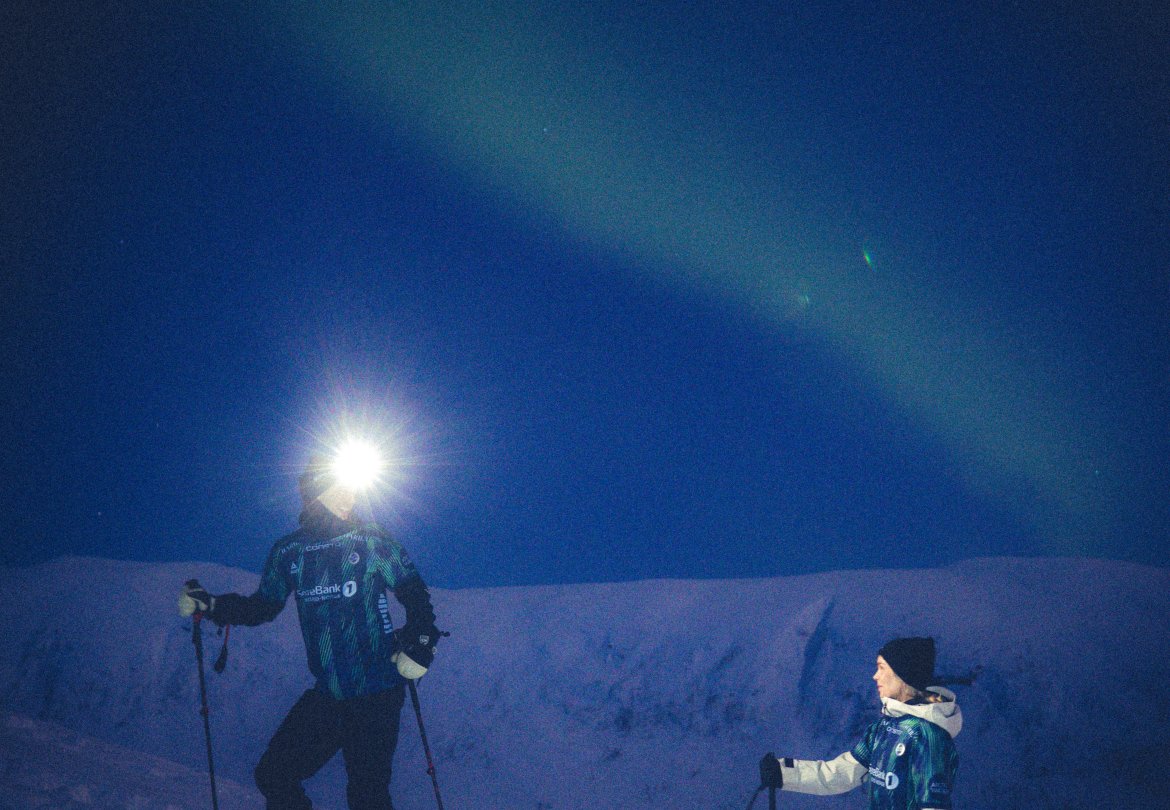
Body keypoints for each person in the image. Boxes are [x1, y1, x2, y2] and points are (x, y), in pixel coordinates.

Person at [178, 453, 440, 810]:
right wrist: (212, 605)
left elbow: (416, 597)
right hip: (329, 694)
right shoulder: (291, 552)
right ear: (317, 493)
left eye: (352, 489)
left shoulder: (372, 542)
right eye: (341, 489)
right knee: (274, 775)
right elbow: (263, 606)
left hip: (377, 692)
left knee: (367, 797)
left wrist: (421, 645)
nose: (350, 497)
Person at [759, 637, 960, 810]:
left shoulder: (928, 737)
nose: (875, 676)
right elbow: (842, 774)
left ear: (902, 676)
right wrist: (783, 773)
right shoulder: (883, 729)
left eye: (881, 668)